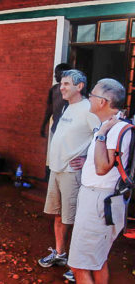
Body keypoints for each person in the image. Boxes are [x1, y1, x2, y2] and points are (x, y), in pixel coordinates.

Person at [38, 69, 100, 282]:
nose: (61, 87)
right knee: (59, 216)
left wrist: (87, 160)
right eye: (61, 83)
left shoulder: (89, 109)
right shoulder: (68, 107)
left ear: (79, 87)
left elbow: (101, 138)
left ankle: (78, 265)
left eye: (65, 84)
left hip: (72, 173)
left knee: (74, 219)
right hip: (57, 170)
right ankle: (60, 254)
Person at [68, 79, 129, 284]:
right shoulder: (112, 126)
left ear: (103, 102)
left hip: (98, 202)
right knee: (98, 260)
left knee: (78, 264)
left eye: (92, 95)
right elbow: (107, 164)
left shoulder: (113, 129)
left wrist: (101, 134)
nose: (89, 99)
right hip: (101, 199)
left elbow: (103, 169)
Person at [40, 63, 71, 180]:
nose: (54, 76)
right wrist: (43, 125)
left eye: (56, 73)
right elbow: (49, 109)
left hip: (68, 132)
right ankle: (52, 176)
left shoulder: (72, 92)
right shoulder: (53, 90)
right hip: (56, 128)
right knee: (55, 154)